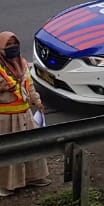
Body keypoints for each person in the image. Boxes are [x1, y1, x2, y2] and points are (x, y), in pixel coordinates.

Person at [1, 32, 51, 197]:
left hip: (25, 115)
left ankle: (34, 178)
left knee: (30, 149)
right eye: (7, 46)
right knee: (9, 153)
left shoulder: (22, 63)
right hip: (6, 119)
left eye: (14, 45)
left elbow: (29, 86)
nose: (12, 49)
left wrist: (37, 101)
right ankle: (6, 185)